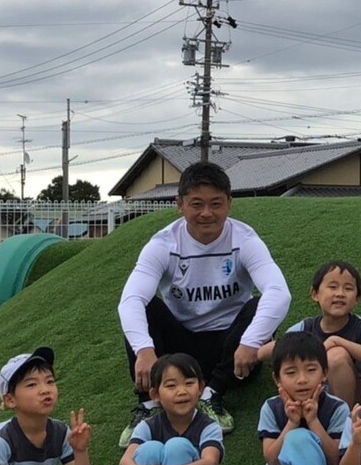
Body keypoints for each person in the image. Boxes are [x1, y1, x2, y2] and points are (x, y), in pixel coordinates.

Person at [117, 162, 292, 445]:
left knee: (258, 305)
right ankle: (149, 404)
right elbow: (130, 300)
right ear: (180, 204)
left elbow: (279, 292)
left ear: (229, 204)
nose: (207, 213)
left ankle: (213, 395)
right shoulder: (163, 244)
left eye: (216, 204)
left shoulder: (245, 239)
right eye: (196, 204)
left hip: (233, 351)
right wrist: (144, 350)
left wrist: (251, 340)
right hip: (180, 351)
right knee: (146, 307)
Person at [196, 332, 351, 465]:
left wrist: (313, 421)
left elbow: (336, 460)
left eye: (311, 370)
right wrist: (292, 423)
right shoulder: (271, 407)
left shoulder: (336, 407)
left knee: (299, 438)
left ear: (324, 373)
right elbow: (272, 459)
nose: (302, 379)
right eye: (291, 372)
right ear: (277, 379)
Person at [260, 261, 361, 408]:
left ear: (357, 299)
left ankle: (343, 422)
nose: (340, 294)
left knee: (337, 356)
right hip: (309, 395)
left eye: (348, 288)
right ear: (315, 294)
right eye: (332, 287)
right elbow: (264, 353)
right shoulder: (306, 327)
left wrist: (336, 341)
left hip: (354, 401)